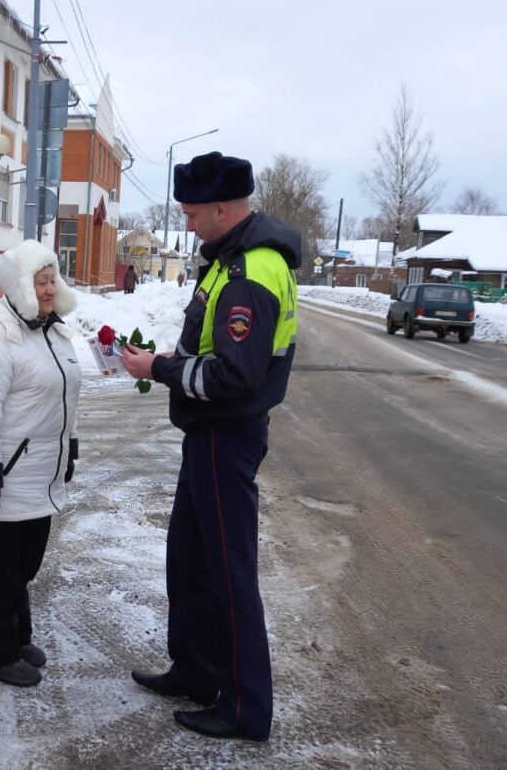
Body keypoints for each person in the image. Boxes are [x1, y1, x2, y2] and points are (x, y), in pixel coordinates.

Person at [120, 151, 300, 742]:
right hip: (208, 435)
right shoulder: (229, 259)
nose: (189, 224)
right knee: (191, 558)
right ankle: (197, 671)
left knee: (228, 572)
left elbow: (232, 376)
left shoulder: (251, 273)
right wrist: (168, 363)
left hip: (227, 435)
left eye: (195, 213)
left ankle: (245, 708)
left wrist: (163, 368)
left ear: (223, 207)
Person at [0, 240, 81, 687]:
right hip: (6, 478)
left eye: (52, 280)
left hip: (40, 476)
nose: (49, 290)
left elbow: (61, 398)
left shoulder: (51, 331)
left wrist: (70, 446)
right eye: (39, 282)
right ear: (19, 286)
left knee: (23, 567)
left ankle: (16, 637)